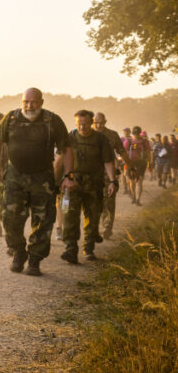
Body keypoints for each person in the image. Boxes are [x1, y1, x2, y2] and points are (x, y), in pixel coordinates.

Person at [0, 88, 74, 276]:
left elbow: (66, 149)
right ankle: (19, 252)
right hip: (14, 176)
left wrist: (69, 176)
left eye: (33, 102)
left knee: (43, 220)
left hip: (42, 177)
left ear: (41, 102)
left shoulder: (52, 121)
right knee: (10, 217)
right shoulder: (11, 118)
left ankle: (35, 260)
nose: (29, 106)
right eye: (25, 102)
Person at [61, 110, 118, 263]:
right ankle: (70, 249)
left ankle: (89, 248)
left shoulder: (101, 139)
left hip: (94, 183)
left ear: (91, 123)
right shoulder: (69, 137)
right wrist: (57, 181)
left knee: (92, 217)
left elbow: (108, 161)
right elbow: (61, 159)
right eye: (79, 124)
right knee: (70, 217)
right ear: (75, 123)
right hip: (73, 182)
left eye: (86, 124)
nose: (82, 128)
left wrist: (112, 181)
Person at [92, 112, 130, 240]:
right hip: (91, 174)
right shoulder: (85, 134)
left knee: (109, 201)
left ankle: (107, 227)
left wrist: (130, 166)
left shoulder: (112, 135)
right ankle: (93, 228)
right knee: (94, 202)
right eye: (96, 122)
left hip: (109, 173)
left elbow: (122, 152)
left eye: (101, 122)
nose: (98, 125)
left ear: (105, 121)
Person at [124, 126, 150, 206]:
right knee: (134, 182)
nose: (136, 134)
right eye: (135, 133)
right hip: (135, 163)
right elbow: (148, 152)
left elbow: (124, 152)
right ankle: (135, 198)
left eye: (137, 133)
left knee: (138, 181)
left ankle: (137, 199)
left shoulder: (130, 141)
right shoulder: (143, 141)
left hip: (135, 163)